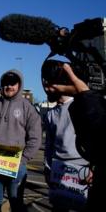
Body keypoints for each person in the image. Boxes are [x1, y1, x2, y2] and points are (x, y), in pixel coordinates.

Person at [0, 70, 42, 212]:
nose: (9, 87)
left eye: (13, 84)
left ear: (19, 85)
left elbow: (35, 138)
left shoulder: (27, 108)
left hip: (17, 165)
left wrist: (23, 160)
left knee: (16, 202)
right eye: (6, 84)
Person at [44, 63, 105, 211]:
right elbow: (49, 143)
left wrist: (93, 168)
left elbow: (96, 138)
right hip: (58, 167)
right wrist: (47, 167)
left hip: (81, 167)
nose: (46, 88)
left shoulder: (81, 107)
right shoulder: (50, 114)